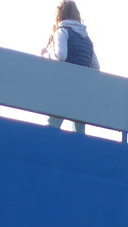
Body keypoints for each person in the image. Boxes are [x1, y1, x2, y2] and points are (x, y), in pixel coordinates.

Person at [40, 1, 99, 133]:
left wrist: (46, 54)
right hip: (81, 91)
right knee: (79, 130)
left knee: (53, 126)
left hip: (63, 86)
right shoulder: (87, 39)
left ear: (59, 16)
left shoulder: (62, 31)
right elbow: (95, 66)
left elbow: (61, 55)